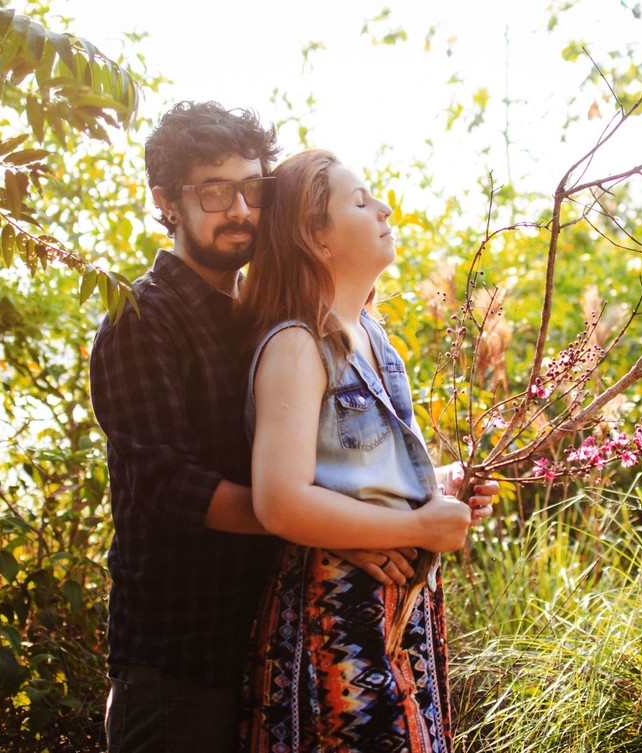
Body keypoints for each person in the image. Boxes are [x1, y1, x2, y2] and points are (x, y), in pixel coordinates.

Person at [90, 103, 496, 753]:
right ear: (166, 202)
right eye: (214, 191)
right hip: (181, 660)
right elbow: (170, 487)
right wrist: (342, 526)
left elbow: (321, 459)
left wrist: (378, 505)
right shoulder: (143, 320)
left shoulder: (262, 313)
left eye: (253, 188)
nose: (242, 210)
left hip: (268, 643)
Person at [237, 149, 481, 752]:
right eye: (360, 200)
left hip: (395, 607)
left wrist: (441, 488)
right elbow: (280, 501)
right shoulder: (297, 346)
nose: (384, 208)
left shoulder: (372, 336)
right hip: (336, 617)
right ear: (315, 238)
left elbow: (359, 474)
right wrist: (421, 524)